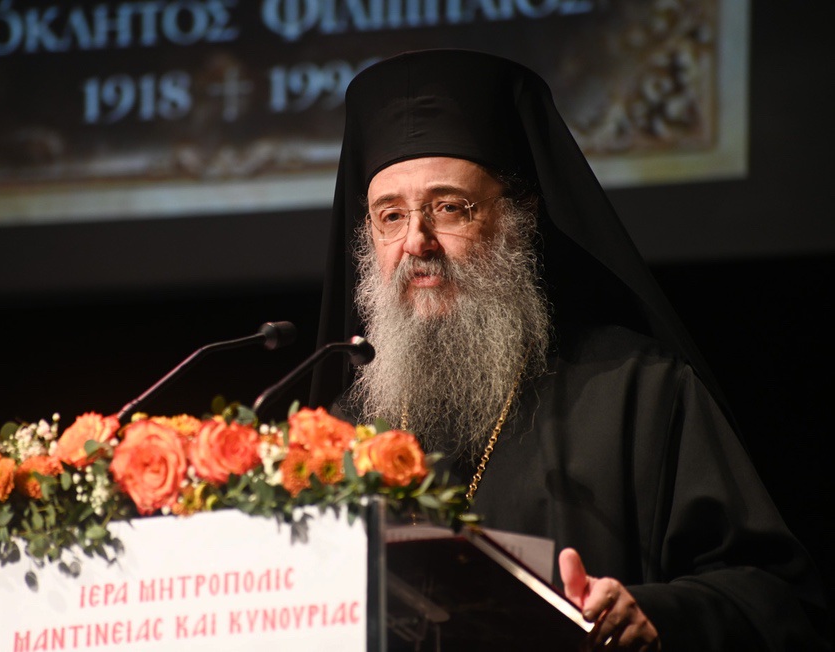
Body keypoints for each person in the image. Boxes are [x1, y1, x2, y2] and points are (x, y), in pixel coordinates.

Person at [310, 49, 831, 650]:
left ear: (520, 216)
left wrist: (652, 616)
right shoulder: (344, 428)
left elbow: (776, 596)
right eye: (391, 216)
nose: (416, 241)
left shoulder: (639, 390)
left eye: (450, 208)